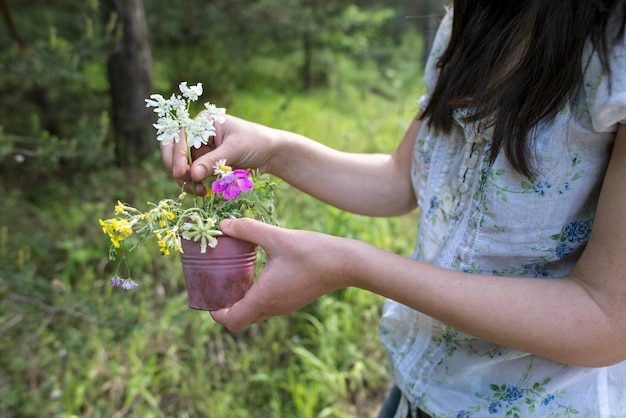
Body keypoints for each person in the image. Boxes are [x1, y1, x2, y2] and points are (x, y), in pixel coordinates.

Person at [161, 0, 626, 416]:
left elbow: (606, 318)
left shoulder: (615, 50)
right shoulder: (473, 18)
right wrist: (273, 148)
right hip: (414, 392)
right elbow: (401, 178)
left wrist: (350, 264)